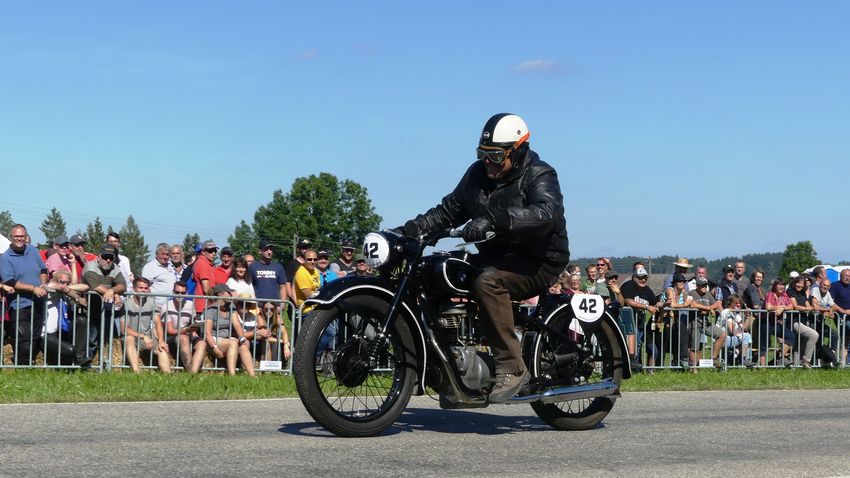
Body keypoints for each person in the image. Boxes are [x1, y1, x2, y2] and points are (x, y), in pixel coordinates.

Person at [397, 113, 569, 402]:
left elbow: (546, 213)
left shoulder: (540, 174)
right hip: (497, 257)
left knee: (488, 283)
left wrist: (496, 219)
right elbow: (448, 211)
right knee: (437, 271)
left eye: (496, 155)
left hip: (538, 260)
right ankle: (451, 368)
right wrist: (408, 231)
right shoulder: (477, 174)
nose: (488, 161)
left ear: (518, 150)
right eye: (483, 154)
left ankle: (512, 368)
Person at [0, 224, 48, 365]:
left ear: (26, 236)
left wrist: (43, 283)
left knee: (36, 336)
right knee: (23, 336)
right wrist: (33, 288)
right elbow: (10, 281)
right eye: (16, 236)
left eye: (22, 236)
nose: (19, 239)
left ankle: (30, 363)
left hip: (38, 301)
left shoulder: (33, 251)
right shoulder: (6, 257)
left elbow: (43, 269)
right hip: (19, 304)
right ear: (11, 237)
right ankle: (22, 366)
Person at [81, 243, 127, 362]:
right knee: (91, 338)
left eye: (111, 258)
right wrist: (113, 293)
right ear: (99, 256)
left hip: (104, 309)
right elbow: (95, 286)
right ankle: (86, 363)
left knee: (105, 338)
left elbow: (123, 285)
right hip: (87, 308)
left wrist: (112, 291)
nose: (108, 260)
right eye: (105, 257)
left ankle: (101, 363)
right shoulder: (89, 267)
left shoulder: (114, 268)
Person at [121, 277, 171, 373]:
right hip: (133, 337)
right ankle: (137, 373)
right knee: (129, 339)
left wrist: (161, 341)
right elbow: (124, 329)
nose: (143, 291)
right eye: (140, 288)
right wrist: (142, 336)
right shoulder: (126, 304)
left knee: (162, 349)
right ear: (134, 289)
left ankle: (168, 376)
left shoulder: (151, 302)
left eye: (145, 288)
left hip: (148, 338)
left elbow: (158, 322)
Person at [203, 284, 254, 376]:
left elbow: (237, 323)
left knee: (244, 344)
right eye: (229, 293)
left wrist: (242, 338)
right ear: (221, 295)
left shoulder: (231, 307)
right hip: (213, 340)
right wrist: (214, 349)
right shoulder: (211, 310)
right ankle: (232, 375)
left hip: (227, 339)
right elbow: (207, 333)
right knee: (233, 343)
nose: (231, 295)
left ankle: (252, 375)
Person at [621, 267, 661, 370]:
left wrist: (666, 303)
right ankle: (630, 368)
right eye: (640, 278)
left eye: (645, 278)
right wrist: (647, 307)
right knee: (631, 348)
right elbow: (628, 301)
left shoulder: (647, 290)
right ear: (634, 277)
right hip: (628, 323)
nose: (643, 280)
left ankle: (637, 368)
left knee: (638, 346)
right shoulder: (628, 286)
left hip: (640, 323)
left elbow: (656, 302)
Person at [160, 280, 206, 373]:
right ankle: (190, 370)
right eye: (177, 292)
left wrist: (194, 328)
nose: (180, 295)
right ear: (173, 292)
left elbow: (192, 323)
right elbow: (170, 330)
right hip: (170, 337)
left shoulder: (191, 305)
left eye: (183, 293)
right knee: (184, 338)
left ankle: (193, 372)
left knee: (202, 343)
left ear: (187, 293)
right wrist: (186, 330)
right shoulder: (166, 307)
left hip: (187, 332)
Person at [688, 276, 726, 368]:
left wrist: (709, 308)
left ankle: (713, 358)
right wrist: (708, 308)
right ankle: (694, 368)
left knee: (722, 335)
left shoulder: (708, 294)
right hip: (694, 323)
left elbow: (717, 304)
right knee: (694, 347)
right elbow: (692, 304)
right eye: (702, 285)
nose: (704, 287)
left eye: (706, 285)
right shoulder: (691, 293)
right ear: (697, 285)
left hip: (706, 322)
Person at [717, 294, 755, 367]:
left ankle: (742, 359)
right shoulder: (726, 312)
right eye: (736, 303)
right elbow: (732, 330)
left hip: (730, 338)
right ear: (730, 303)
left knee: (746, 336)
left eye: (740, 303)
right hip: (721, 339)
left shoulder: (736, 314)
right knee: (746, 336)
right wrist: (741, 335)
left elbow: (743, 328)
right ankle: (742, 359)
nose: (739, 305)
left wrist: (747, 316)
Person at [141, 243, 176, 307]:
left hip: (170, 307)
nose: (165, 257)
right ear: (157, 254)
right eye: (162, 254)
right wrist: (153, 305)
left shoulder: (171, 266)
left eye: (167, 254)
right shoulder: (150, 267)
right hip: (156, 307)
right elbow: (144, 287)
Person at [192, 240, 219, 314]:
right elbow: (206, 289)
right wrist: (218, 298)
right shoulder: (203, 264)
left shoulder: (202, 262)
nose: (213, 253)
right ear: (203, 252)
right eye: (210, 251)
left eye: (215, 251)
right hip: (205, 305)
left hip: (204, 304)